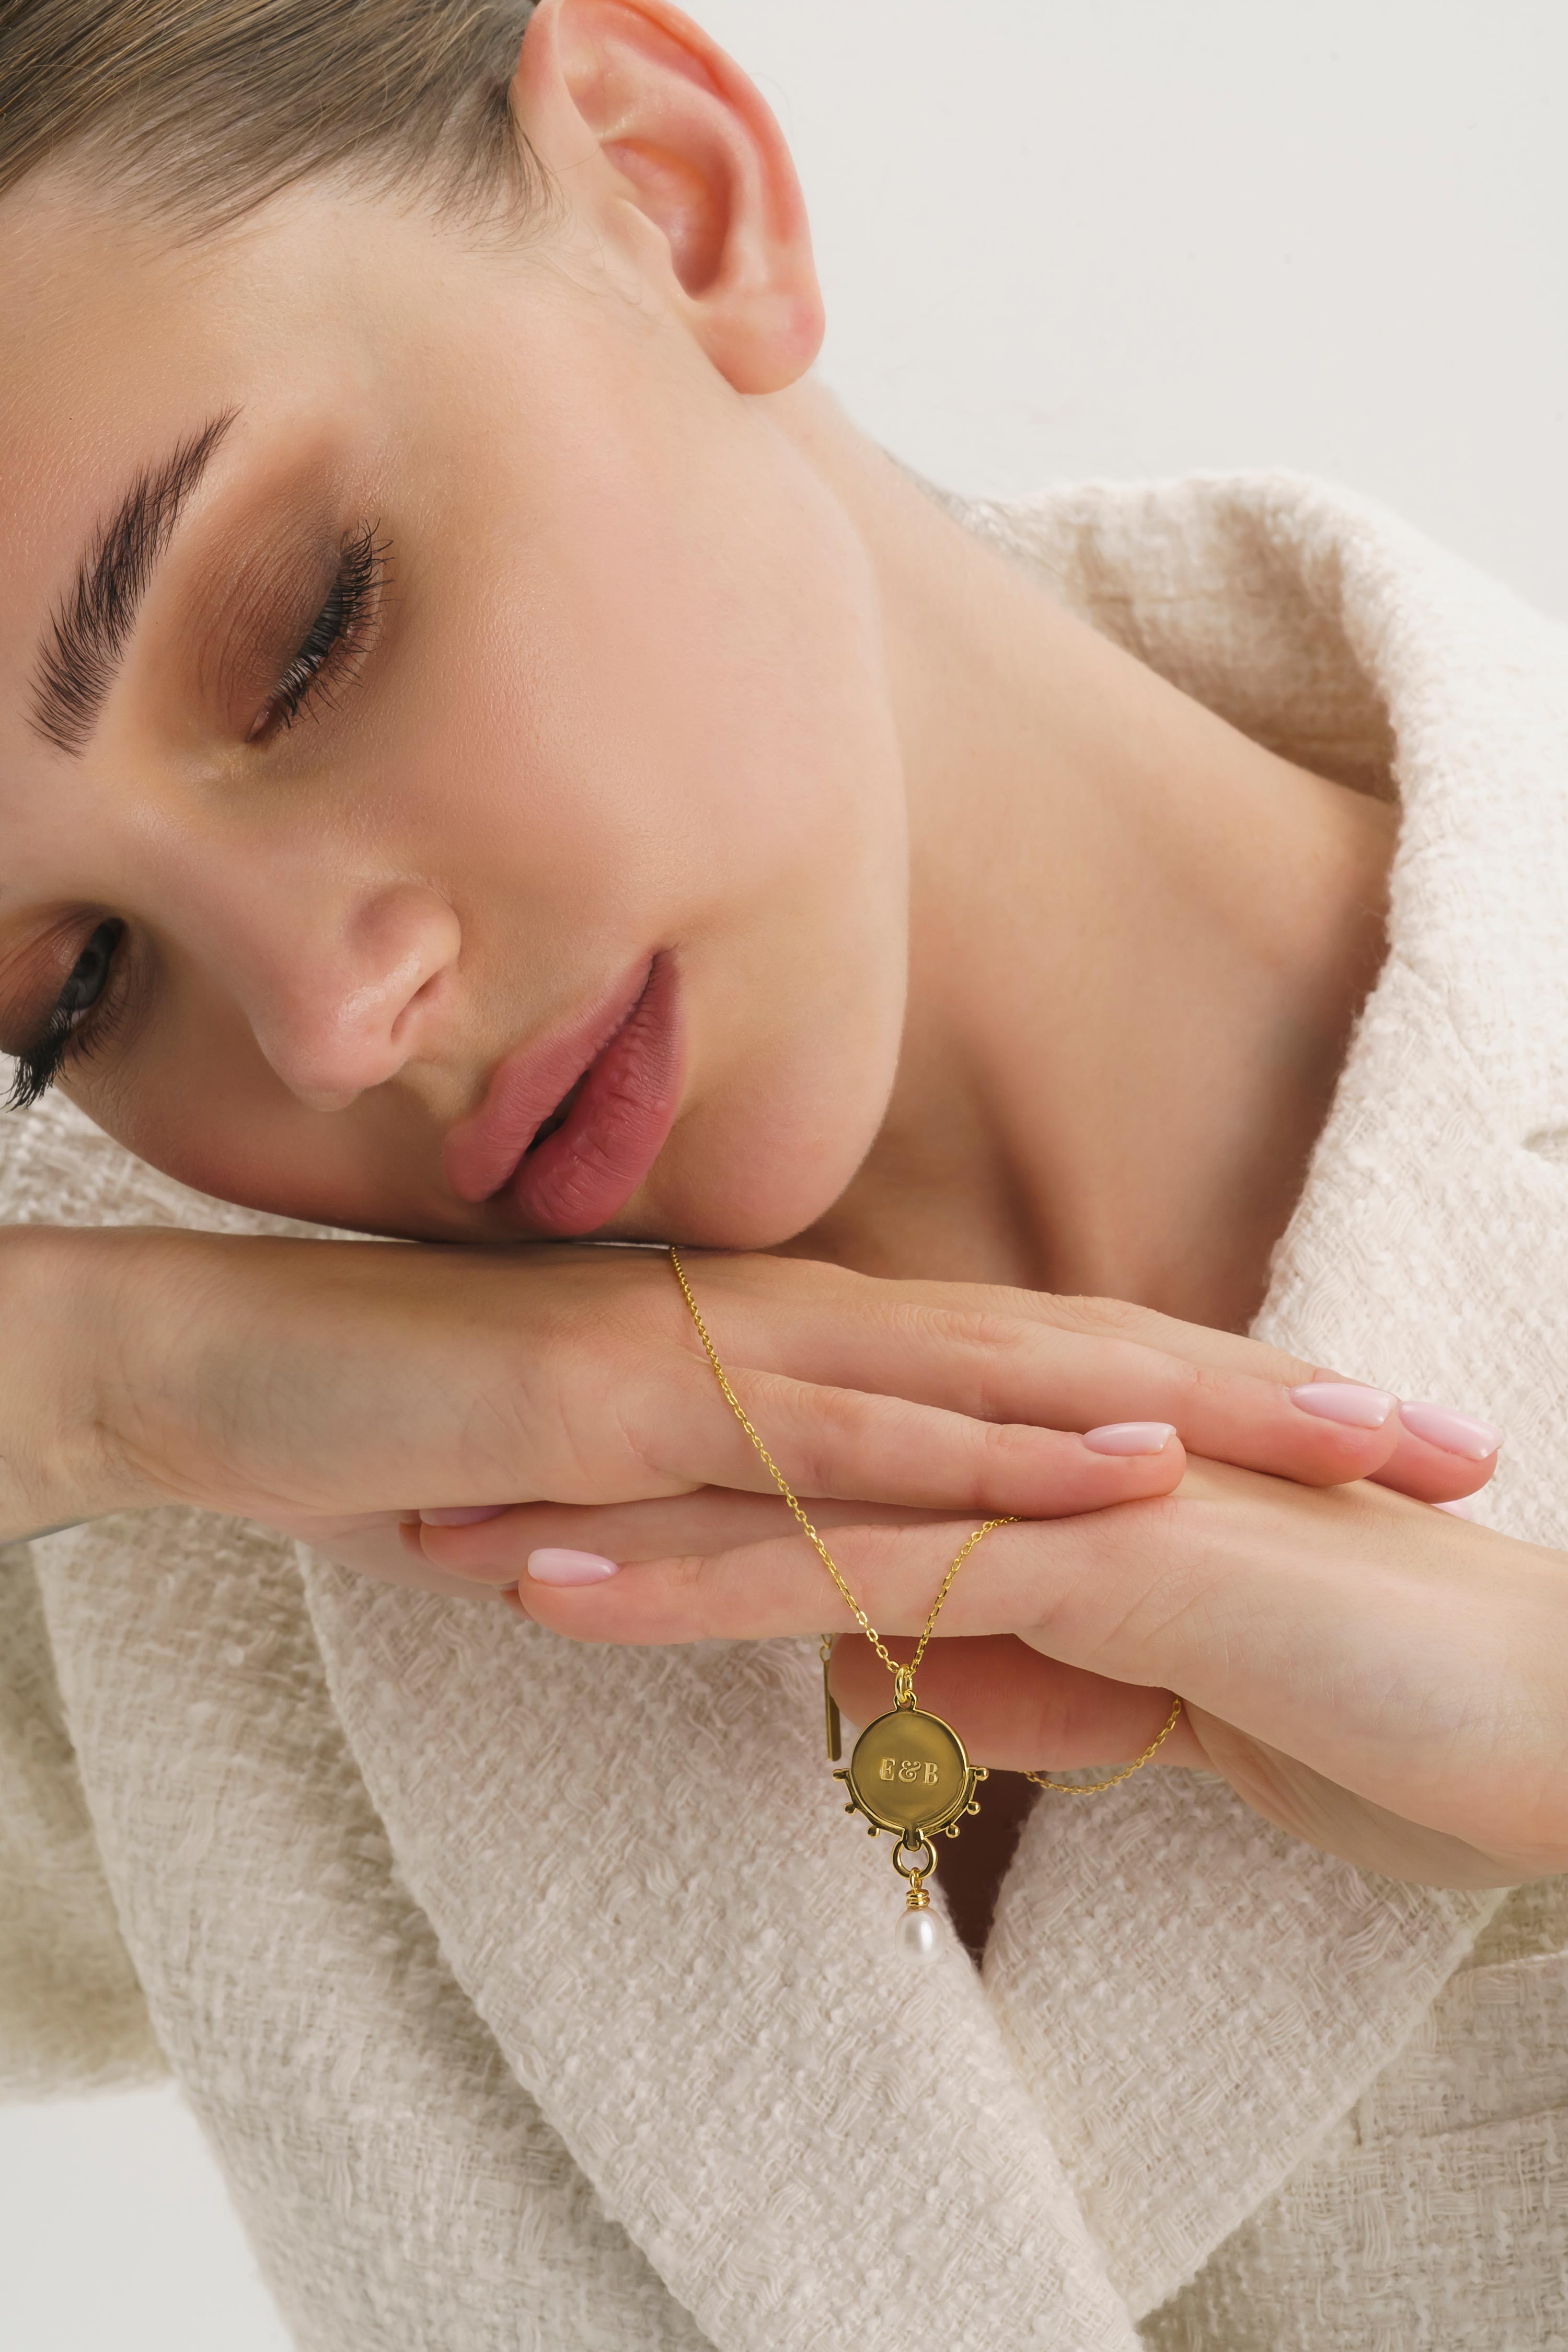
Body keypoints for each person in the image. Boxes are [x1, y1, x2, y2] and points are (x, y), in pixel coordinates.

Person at [1, 2, 1563, 2345]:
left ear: (668, 189)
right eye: (76, 990)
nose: (330, 1027)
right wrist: (92, 1388)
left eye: (309, 632)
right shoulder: (212, 1512)